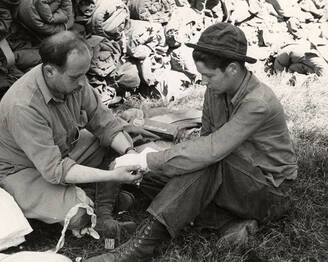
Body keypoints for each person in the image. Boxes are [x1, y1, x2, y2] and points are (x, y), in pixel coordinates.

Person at [86, 22, 298, 262]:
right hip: (231, 180)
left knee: (203, 163)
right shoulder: (216, 91)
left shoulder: (258, 102)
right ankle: (227, 222)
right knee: (159, 171)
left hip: (270, 193)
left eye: (208, 75)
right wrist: (150, 161)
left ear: (232, 69)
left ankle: (141, 247)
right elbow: (205, 139)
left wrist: (149, 159)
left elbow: (211, 150)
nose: (204, 82)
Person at [0, 31, 144, 237]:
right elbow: (55, 170)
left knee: (114, 145)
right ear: (50, 71)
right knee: (79, 214)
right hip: (20, 171)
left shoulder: (75, 80)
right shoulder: (23, 106)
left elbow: (103, 121)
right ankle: (99, 195)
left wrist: (130, 153)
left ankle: (102, 211)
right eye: (76, 77)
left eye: (84, 74)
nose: (82, 82)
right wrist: (113, 175)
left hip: (61, 151)